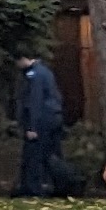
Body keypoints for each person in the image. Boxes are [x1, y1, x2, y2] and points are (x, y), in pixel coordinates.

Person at [18, 53, 69, 197]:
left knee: (35, 155)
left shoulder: (34, 75)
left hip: (42, 120)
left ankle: (34, 188)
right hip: (53, 117)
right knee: (52, 154)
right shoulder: (44, 72)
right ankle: (60, 184)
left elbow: (35, 101)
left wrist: (32, 127)